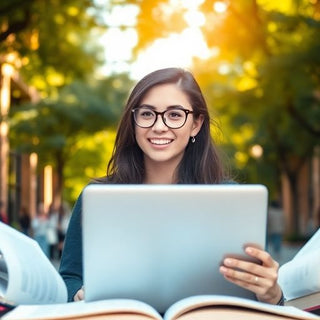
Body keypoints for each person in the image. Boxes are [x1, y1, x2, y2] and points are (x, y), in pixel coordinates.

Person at [59, 67, 283, 306]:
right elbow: (69, 278)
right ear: (133, 122)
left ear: (196, 124)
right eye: (147, 114)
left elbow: (259, 293)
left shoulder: (233, 201)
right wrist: (76, 293)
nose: (159, 126)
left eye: (175, 115)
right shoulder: (97, 198)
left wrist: (272, 294)